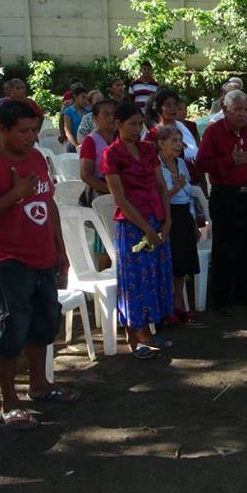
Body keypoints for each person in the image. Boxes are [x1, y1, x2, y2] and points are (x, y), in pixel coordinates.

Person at [0, 100, 78, 430]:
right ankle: (9, 402)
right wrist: (13, 195)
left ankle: (40, 385)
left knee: (42, 325)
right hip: (6, 261)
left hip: (42, 257)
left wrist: (60, 248)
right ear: (2, 129)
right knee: (7, 332)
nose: (31, 138)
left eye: (34, 131)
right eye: (23, 131)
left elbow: (47, 202)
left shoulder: (37, 158)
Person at [103, 102, 173, 358]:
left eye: (139, 123)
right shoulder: (112, 154)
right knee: (134, 280)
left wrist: (166, 221)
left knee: (154, 277)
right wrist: (147, 228)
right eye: (131, 123)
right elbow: (119, 198)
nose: (136, 128)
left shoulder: (147, 149)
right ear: (118, 124)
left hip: (156, 217)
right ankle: (135, 335)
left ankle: (148, 331)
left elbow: (161, 187)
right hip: (132, 225)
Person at [196, 90, 247, 317]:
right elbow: (201, 163)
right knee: (225, 247)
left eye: (245, 109)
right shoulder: (214, 131)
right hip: (226, 195)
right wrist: (230, 160)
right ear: (225, 110)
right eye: (237, 109)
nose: (242, 114)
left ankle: (245, 292)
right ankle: (221, 297)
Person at [156, 125, 200, 323]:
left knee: (182, 262)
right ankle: (167, 308)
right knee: (170, 261)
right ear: (160, 143)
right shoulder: (156, 166)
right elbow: (161, 196)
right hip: (168, 213)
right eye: (173, 141)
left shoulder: (181, 163)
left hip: (184, 213)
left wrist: (194, 222)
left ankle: (178, 304)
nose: (178, 145)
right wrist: (177, 186)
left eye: (179, 141)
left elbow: (188, 193)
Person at [79, 99, 115, 271]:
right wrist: (111, 190)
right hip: (100, 192)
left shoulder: (120, 136)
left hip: (121, 190)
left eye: (113, 114)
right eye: (106, 114)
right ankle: (103, 283)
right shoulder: (91, 141)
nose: (111, 118)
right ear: (95, 118)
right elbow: (85, 174)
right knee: (104, 242)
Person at [147, 88, 200, 181]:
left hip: (190, 181)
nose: (172, 108)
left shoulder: (186, 128)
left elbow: (199, 157)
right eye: (168, 105)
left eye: (175, 104)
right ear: (159, 108)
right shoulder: (152, 135)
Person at [61, 85, 90, 152]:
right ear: (75, 96)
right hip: (73, 145)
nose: (85, 100)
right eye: (83, 97)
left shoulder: (88, 111)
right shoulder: (68, 111)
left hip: (87, 144)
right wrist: (77, 145)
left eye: (86, 98)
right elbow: (68, 132)